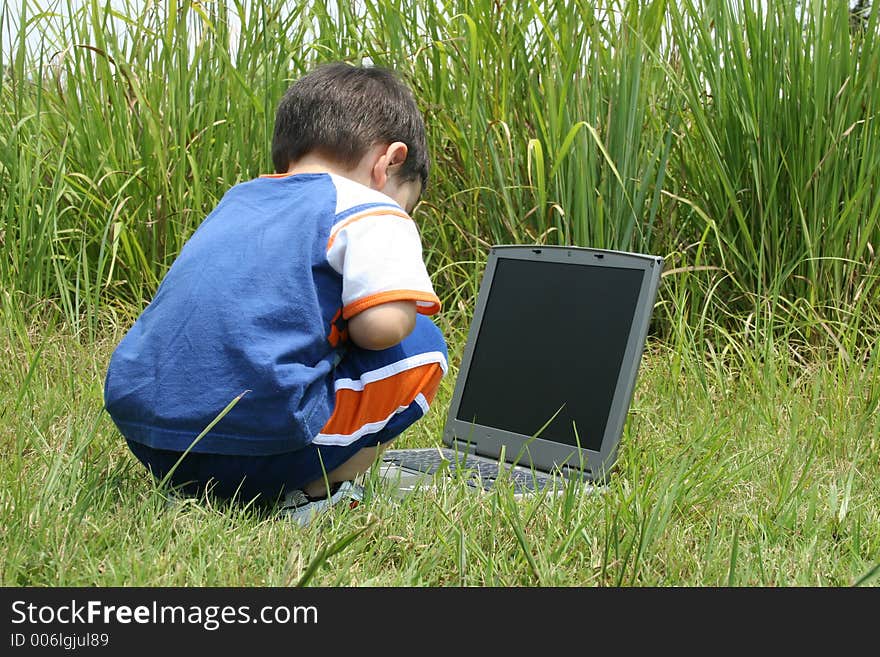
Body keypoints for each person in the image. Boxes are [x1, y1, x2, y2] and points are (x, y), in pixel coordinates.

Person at [103, 62, 447, 525]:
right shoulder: (372, 207)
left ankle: (199, 489)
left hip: (153, 441)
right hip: (260, 450)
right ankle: (319, 491)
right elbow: (379, 326)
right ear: (389, 162)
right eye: (408, 200)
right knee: (426, 345)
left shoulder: (239, 199)